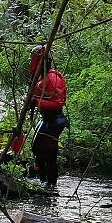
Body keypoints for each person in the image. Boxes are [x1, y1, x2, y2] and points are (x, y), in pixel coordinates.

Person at [28, 45, 69, 188]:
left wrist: (37, 101)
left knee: (49, 153)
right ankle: (43, 182)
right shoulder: (41, 78)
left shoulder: (52, 78)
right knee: (37, 149)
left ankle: (50, 185)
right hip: (46, 120)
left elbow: (58, 103)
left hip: (55, 120)